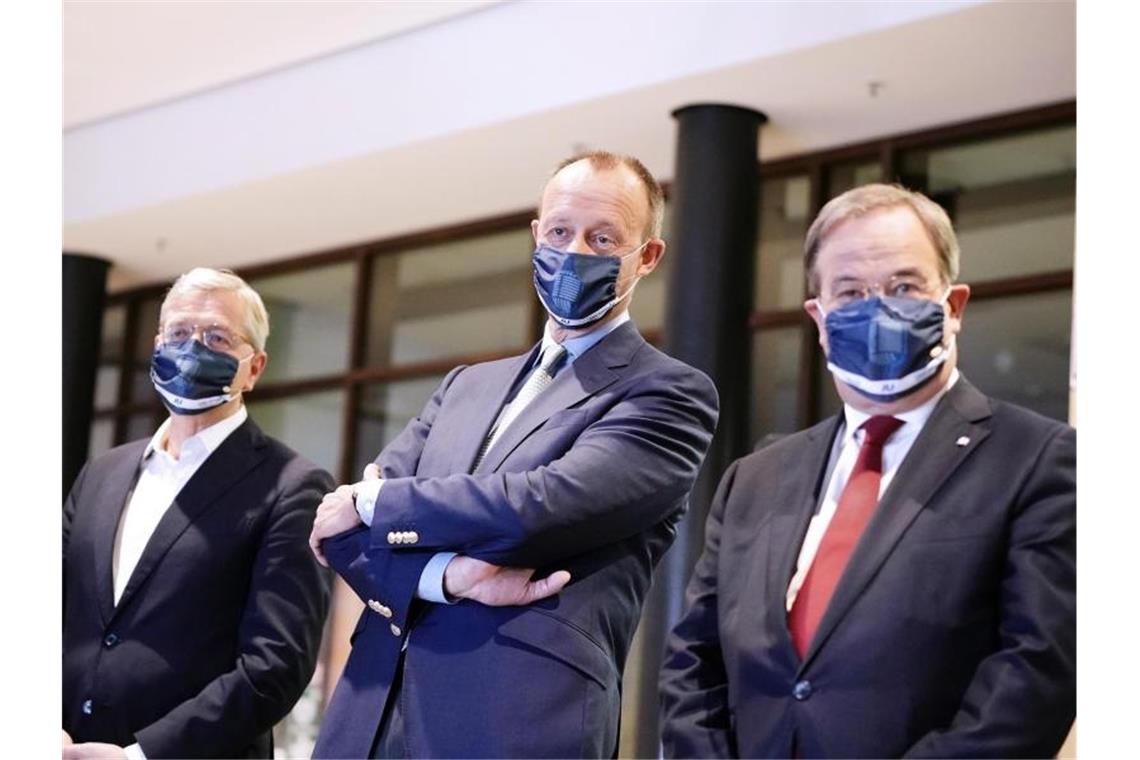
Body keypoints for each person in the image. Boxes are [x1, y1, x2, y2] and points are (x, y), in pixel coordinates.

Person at [309, 151, 720, 758]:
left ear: (647, 256)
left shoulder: (666, 392)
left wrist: (373, 500)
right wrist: (445, 576)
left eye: (602, 237)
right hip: (369, 715)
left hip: (516, 722)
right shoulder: (463, 387)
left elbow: (539, 506)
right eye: (559, 231)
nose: (574, 251)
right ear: (536, 235)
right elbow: (342, 539)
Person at [659, 183, 1076, 758]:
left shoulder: (1037, 458)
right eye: (850, 292)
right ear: (820, 317)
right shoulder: (754, 478)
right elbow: (693, 665)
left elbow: (1035, 678)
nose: (877, 308)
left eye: (903, 286)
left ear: (952, 306)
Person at [62, 268, 333, 759]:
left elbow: (275, 666)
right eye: (180, 333)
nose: (193, 349)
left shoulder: (291, 486)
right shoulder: (102, 473)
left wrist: (137, 756)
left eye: (217, 337)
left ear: (254, 367)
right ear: (156, 343)